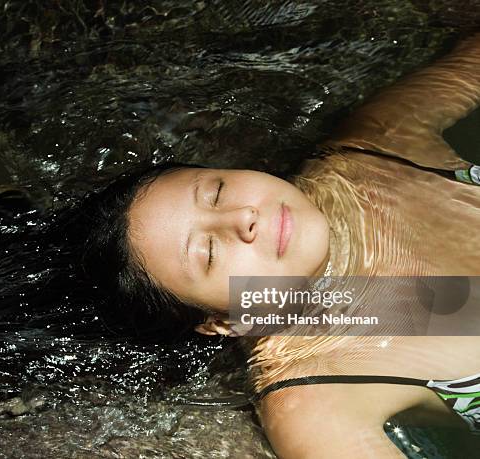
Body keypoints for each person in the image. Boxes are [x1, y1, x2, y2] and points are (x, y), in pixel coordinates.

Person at [81, 33, 480, 458]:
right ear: (222, 321)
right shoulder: (315, 394)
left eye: (216, 191)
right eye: (210, 253)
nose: (243, 218)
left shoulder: (373, 151)